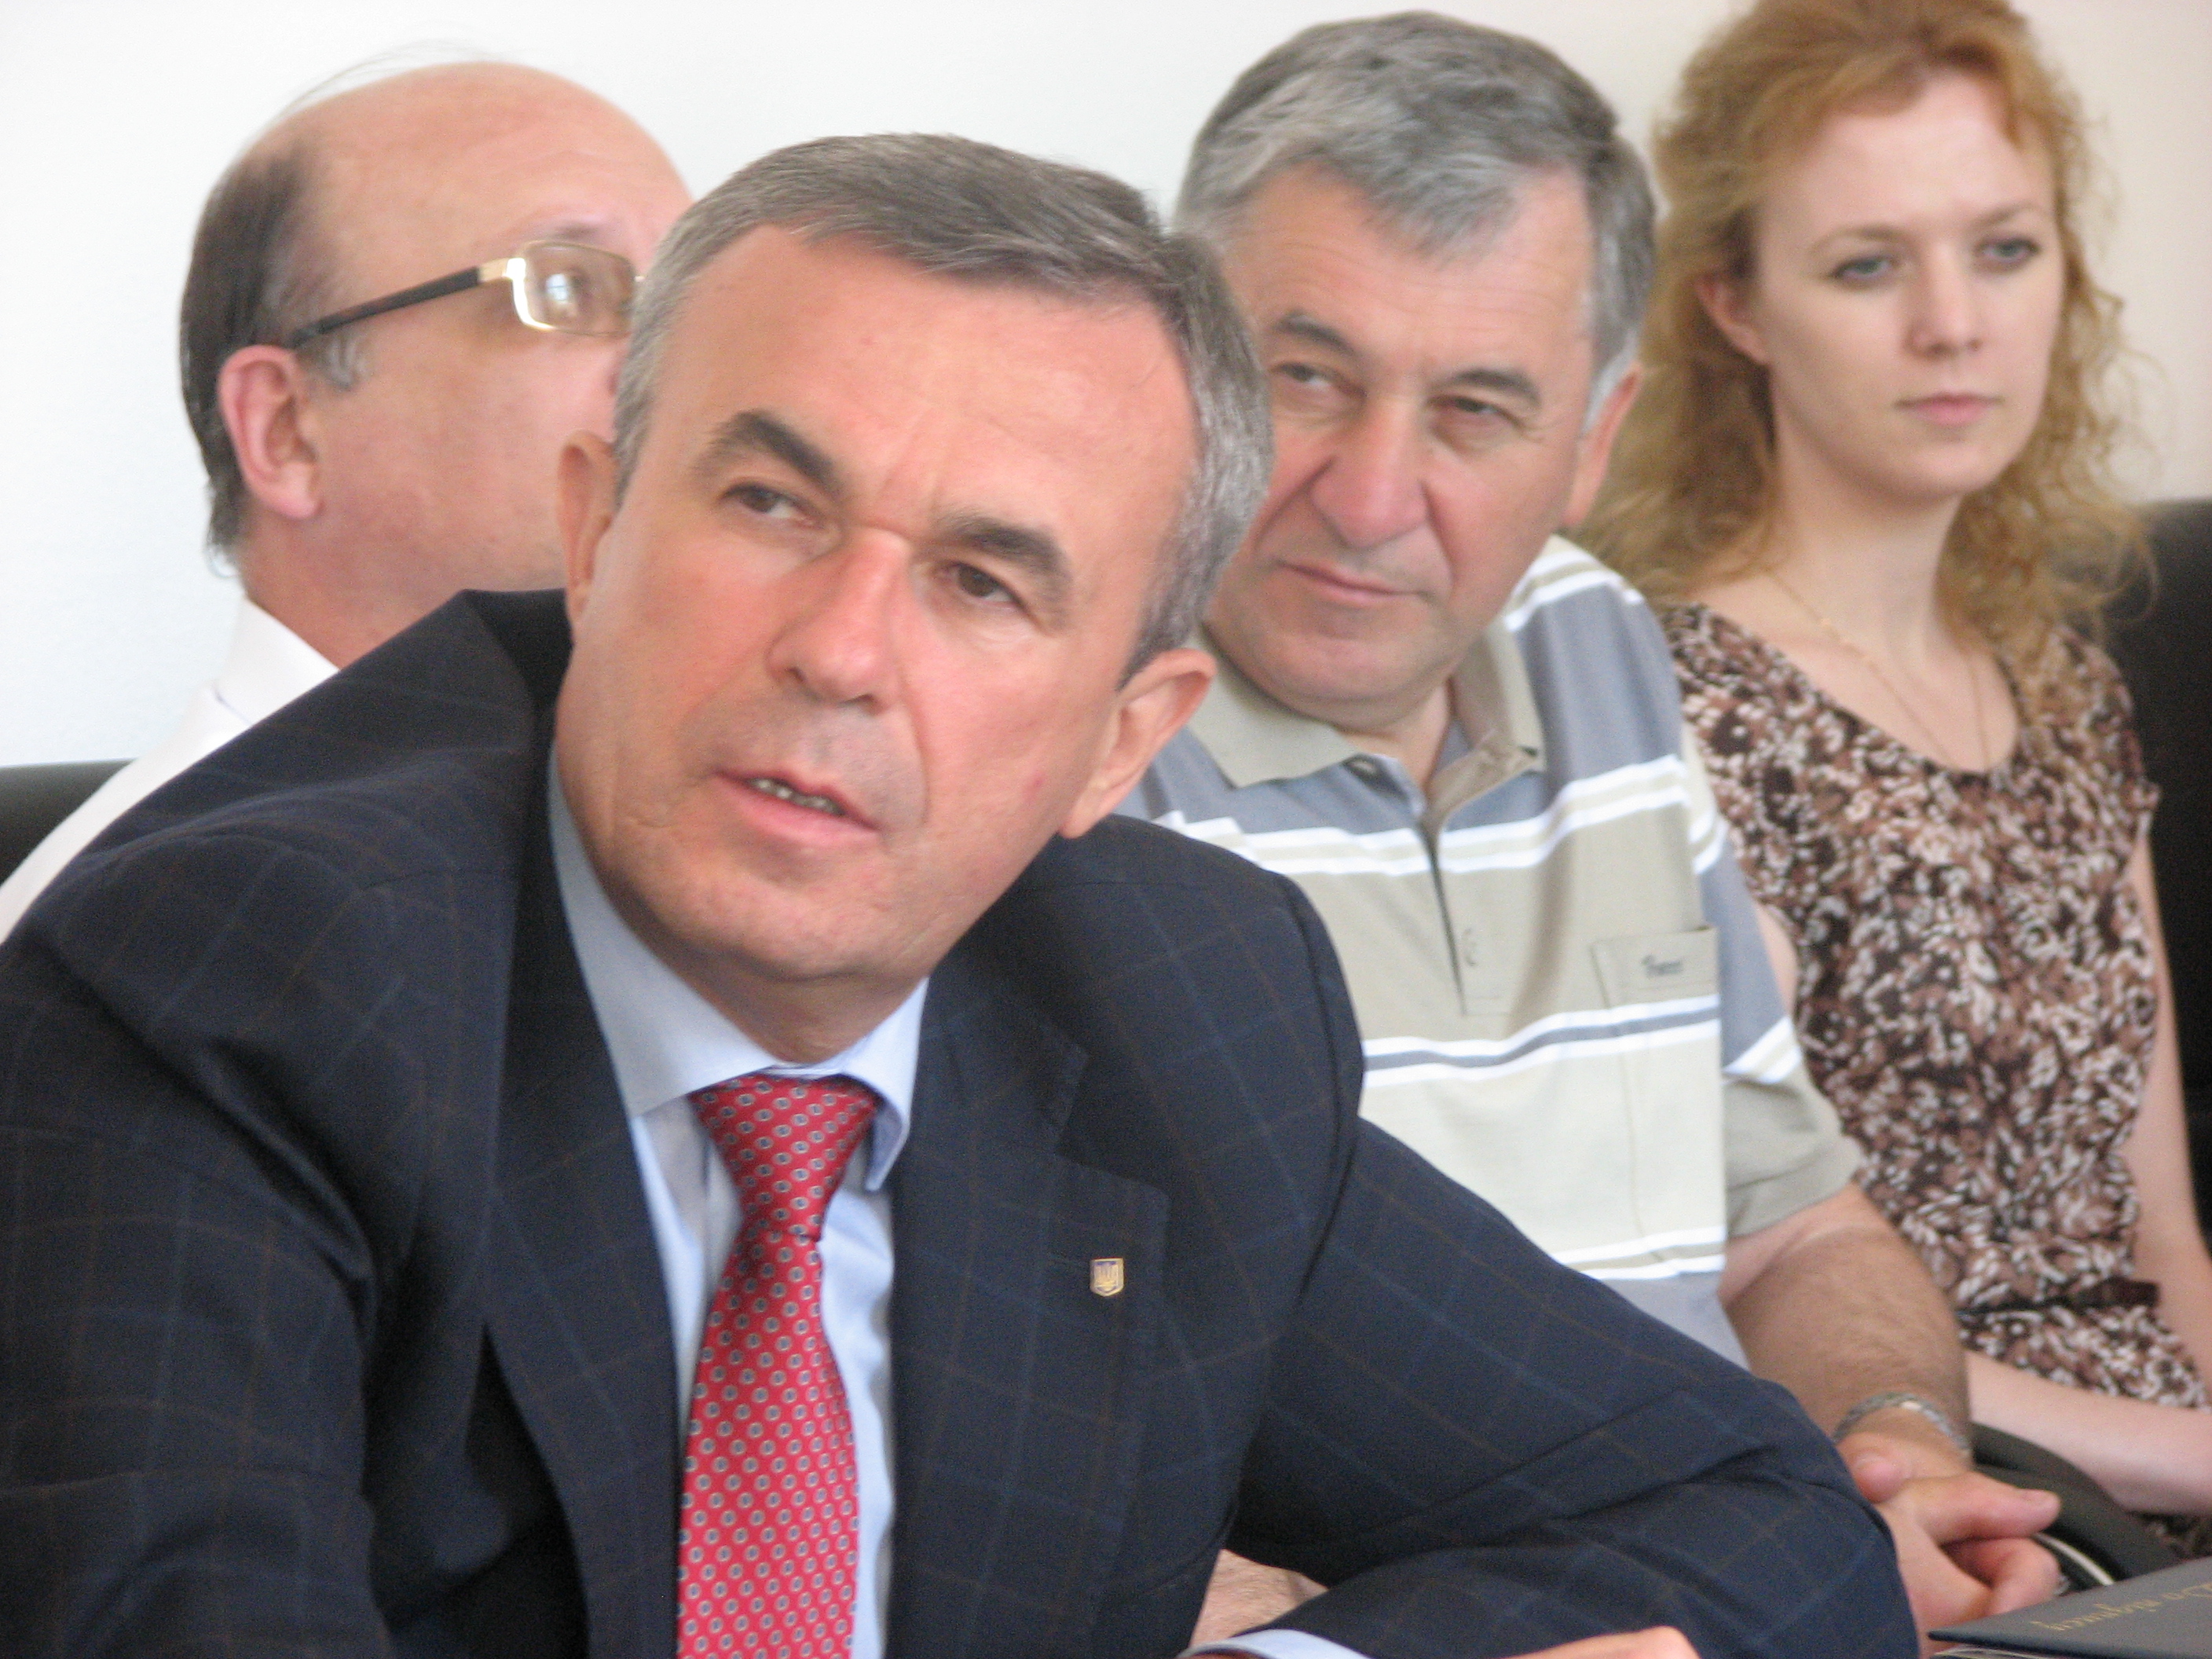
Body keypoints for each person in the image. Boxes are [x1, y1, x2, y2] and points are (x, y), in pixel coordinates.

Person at [0, 134, 1910, 1659]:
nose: (841, 651)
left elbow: (1750, 1518)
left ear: (1120, 740)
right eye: (770, 506)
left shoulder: (1181, 1003)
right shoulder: (233, 982)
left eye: (985, 583)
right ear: (593, 529)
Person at [1122, 13, 2057, 1641]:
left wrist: (1892, 1456)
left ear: (1594, 439)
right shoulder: (1068, 740)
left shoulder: (1597, 642)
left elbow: (1793, 1234)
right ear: (1184, 360)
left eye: (1477, 409)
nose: (1369, 495)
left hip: (1750, 1572)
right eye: (1306, 377)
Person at [1585, 0, 2212, 1555]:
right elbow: (1749, 1287)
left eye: (2002, 249)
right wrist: (2190, 1461)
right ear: (1735, 306)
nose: (1953, 323)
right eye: (1868, 266)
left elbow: (2163, 1242)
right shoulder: (1673, 706)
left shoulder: (2062, 682)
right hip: (1936, 1489)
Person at [0, 60, 690, 938]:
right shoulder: (139, 938)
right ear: (287, 431)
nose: (675, 364)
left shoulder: (696, 854)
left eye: (686, 299)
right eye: (566, 286)